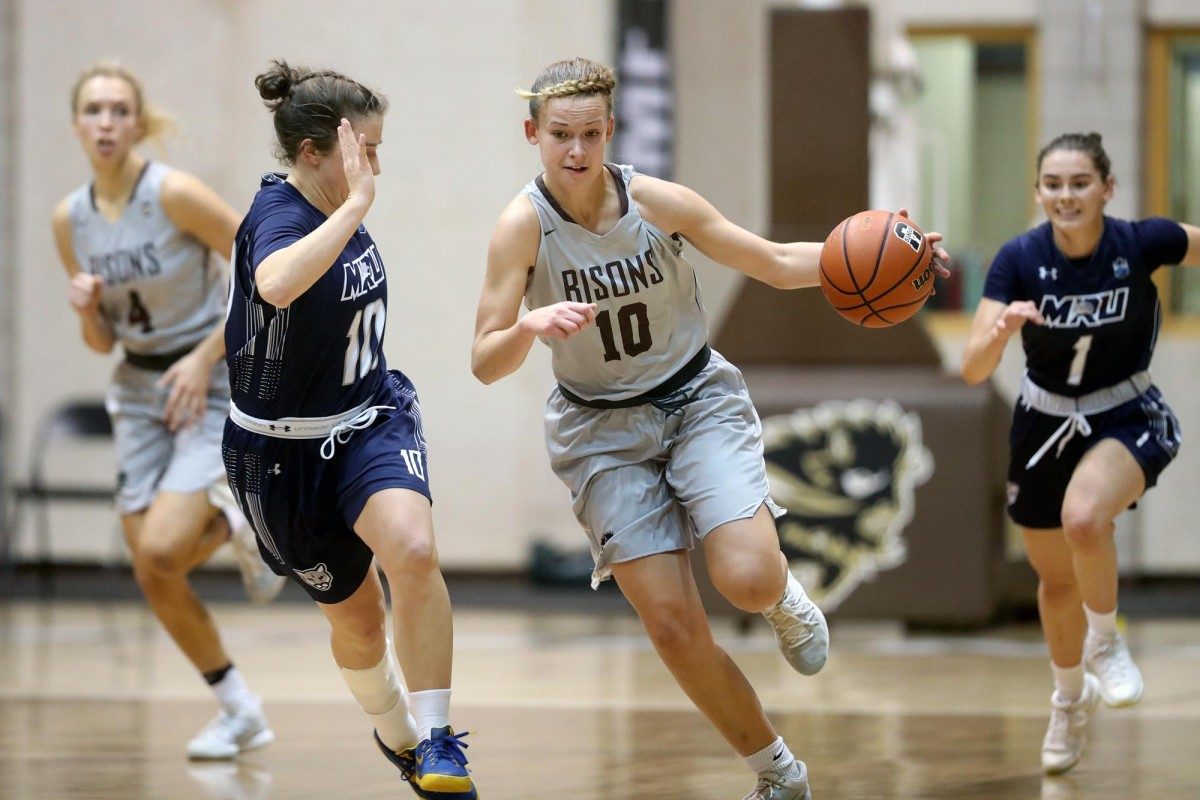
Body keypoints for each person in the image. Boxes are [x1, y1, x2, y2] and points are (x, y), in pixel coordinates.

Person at [471, 57, 949, 800]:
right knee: (670, 626)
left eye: (591, 133)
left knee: (747, 578)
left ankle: (783, 598)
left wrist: (897, 256)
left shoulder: (656, 202)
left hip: (695, 400)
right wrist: (529, 326)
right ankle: (778, 772)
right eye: (561, 134)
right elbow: (483, 361)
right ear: (533, 133)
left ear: (611, 129)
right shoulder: (521, 228)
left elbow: (776, 261)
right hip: (599, 430)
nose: (576, 150)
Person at [221, 60, 477, 800]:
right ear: (312, 153)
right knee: (360, 624)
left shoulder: (339, 203)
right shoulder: (280, 215)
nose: (375, 168)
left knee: (414, 550)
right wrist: (356, 204)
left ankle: (439, 739)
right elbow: (274, 283)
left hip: (367, 420)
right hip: (279, 455)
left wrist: (354, 201)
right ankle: (399, 736)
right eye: (365, 150)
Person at [52, 60, 284, 760]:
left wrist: (206, 356)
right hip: (138, 387)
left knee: (159, 548)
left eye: (120, 110)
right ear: (77, 125)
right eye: (94, 110)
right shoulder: (70, 219)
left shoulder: (173, 193)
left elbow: (265, 274)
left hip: (211, 374)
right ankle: (240, 711)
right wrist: (87, 312)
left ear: (138, 123)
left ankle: (255, 521)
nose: (106, 122)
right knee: (152, 568)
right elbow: (101, 342)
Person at [962, 132, 1200, 774]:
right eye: (1053, 184)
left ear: (1106, 189)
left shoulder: (1142, 241)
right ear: (1039, 193)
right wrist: (1000, 331)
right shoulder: (1018, 258)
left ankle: (1105, 642)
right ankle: (1069, 699)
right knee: (1057, 581)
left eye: (1079, 183)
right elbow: (973, 368)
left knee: (1086, 519)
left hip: (1125, 410)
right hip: (1044, 421)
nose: (1065, 195)